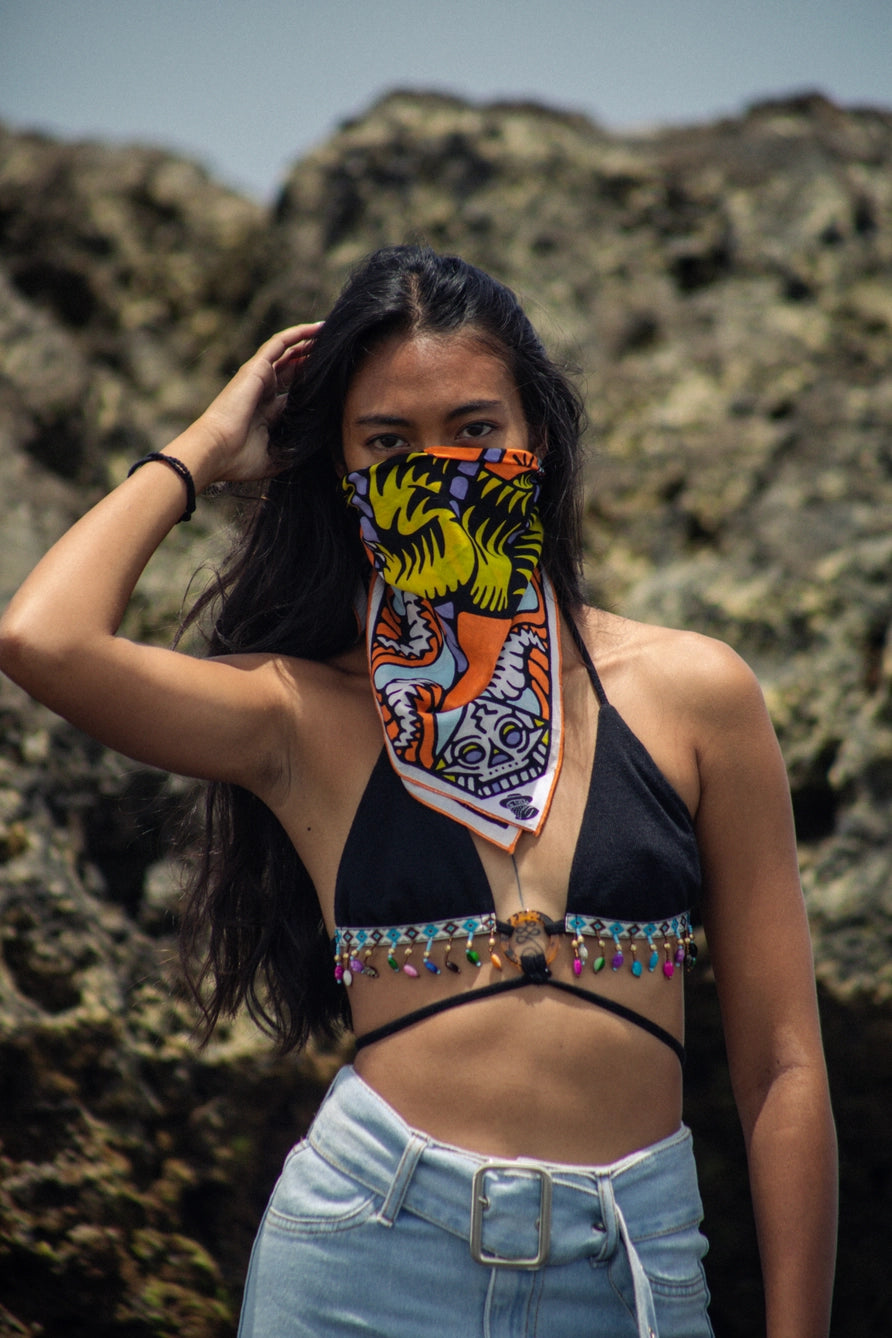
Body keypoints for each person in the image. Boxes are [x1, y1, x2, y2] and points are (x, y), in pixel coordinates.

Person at [0, 245, 836, 1337]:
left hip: (629, 1267)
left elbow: (781, 1067)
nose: (439, 471)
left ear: (536, 435)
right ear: (339, 473)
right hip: (365, 1259)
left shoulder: (693, 694)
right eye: (389, 444)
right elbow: (41, 639)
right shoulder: (301, 715)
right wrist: (205, 449)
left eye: (475, 431)